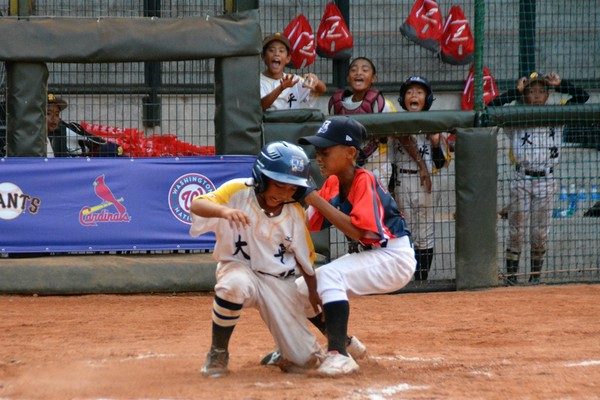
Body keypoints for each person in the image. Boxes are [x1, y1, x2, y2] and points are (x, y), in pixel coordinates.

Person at [294, 116, 416, 376]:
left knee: (328, 275)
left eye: (325, 151)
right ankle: (346, 344)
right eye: (317, 152)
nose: (319, 158)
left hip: (394, 256)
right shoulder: (333, 184)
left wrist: (314, 199)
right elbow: (310, 222)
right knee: (301, 289)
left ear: (350, 153)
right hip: (373, 256)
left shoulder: (364, 180)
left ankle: (338, 354)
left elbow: (359, 229)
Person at [189, 141, 322, 378]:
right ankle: (217, 353)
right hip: (239, 267)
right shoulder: (238, 190)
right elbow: (197, 204)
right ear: (261, 177)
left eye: (292, 189)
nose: (284, 194)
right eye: (279, 185)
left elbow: (304, 259)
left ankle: (285, 352)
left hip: (278, 281)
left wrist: (312, 293)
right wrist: (225, 211)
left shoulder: (293, 211)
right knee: (233, 285)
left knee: (304, 362)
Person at [488, 72, 589, 285]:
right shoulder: (516, 116)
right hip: (522, 177)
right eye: (531, 90)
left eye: (541, 90)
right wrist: (514, 92)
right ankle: (511, 278)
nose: (536, 94)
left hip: (546, 178)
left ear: (547, 94)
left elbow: (583, 98)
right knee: (516, 231)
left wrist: (562, 84)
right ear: (524, 94)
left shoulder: (557, 114)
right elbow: (492, 107)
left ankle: (535, 278)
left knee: (540, 233)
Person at [387, 76, 451, 281]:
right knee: (405, 232)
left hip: (426, 184)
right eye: (409, 92)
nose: (414, 95)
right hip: (401, 180)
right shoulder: (396, 122)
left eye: (419, 92)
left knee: (425, 232)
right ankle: (405, 279)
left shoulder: (434, 124)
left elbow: (441, 163)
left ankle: (421, 279)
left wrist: (434, 143)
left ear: (428, 98)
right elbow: (391, 161)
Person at [328, 56, 396, 190]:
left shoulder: (382, 105)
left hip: (376, 163)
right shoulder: (337, 104)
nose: (359, 73)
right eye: (354, 70)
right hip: (347, 165)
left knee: (374, 206)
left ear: (373, 78)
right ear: (348, 77)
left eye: (365, 70)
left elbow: (393, 136)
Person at [260, 32, 326, 111]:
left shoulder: (294, 79)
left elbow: (322, 89)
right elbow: (261, 106)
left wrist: (316, 81)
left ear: (288, 58)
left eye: (281, 51)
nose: (276, 54)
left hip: (293, 123)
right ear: (263, 56)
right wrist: (281, 88)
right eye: (271, 50)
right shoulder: (257, 81)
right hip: (268, 123)